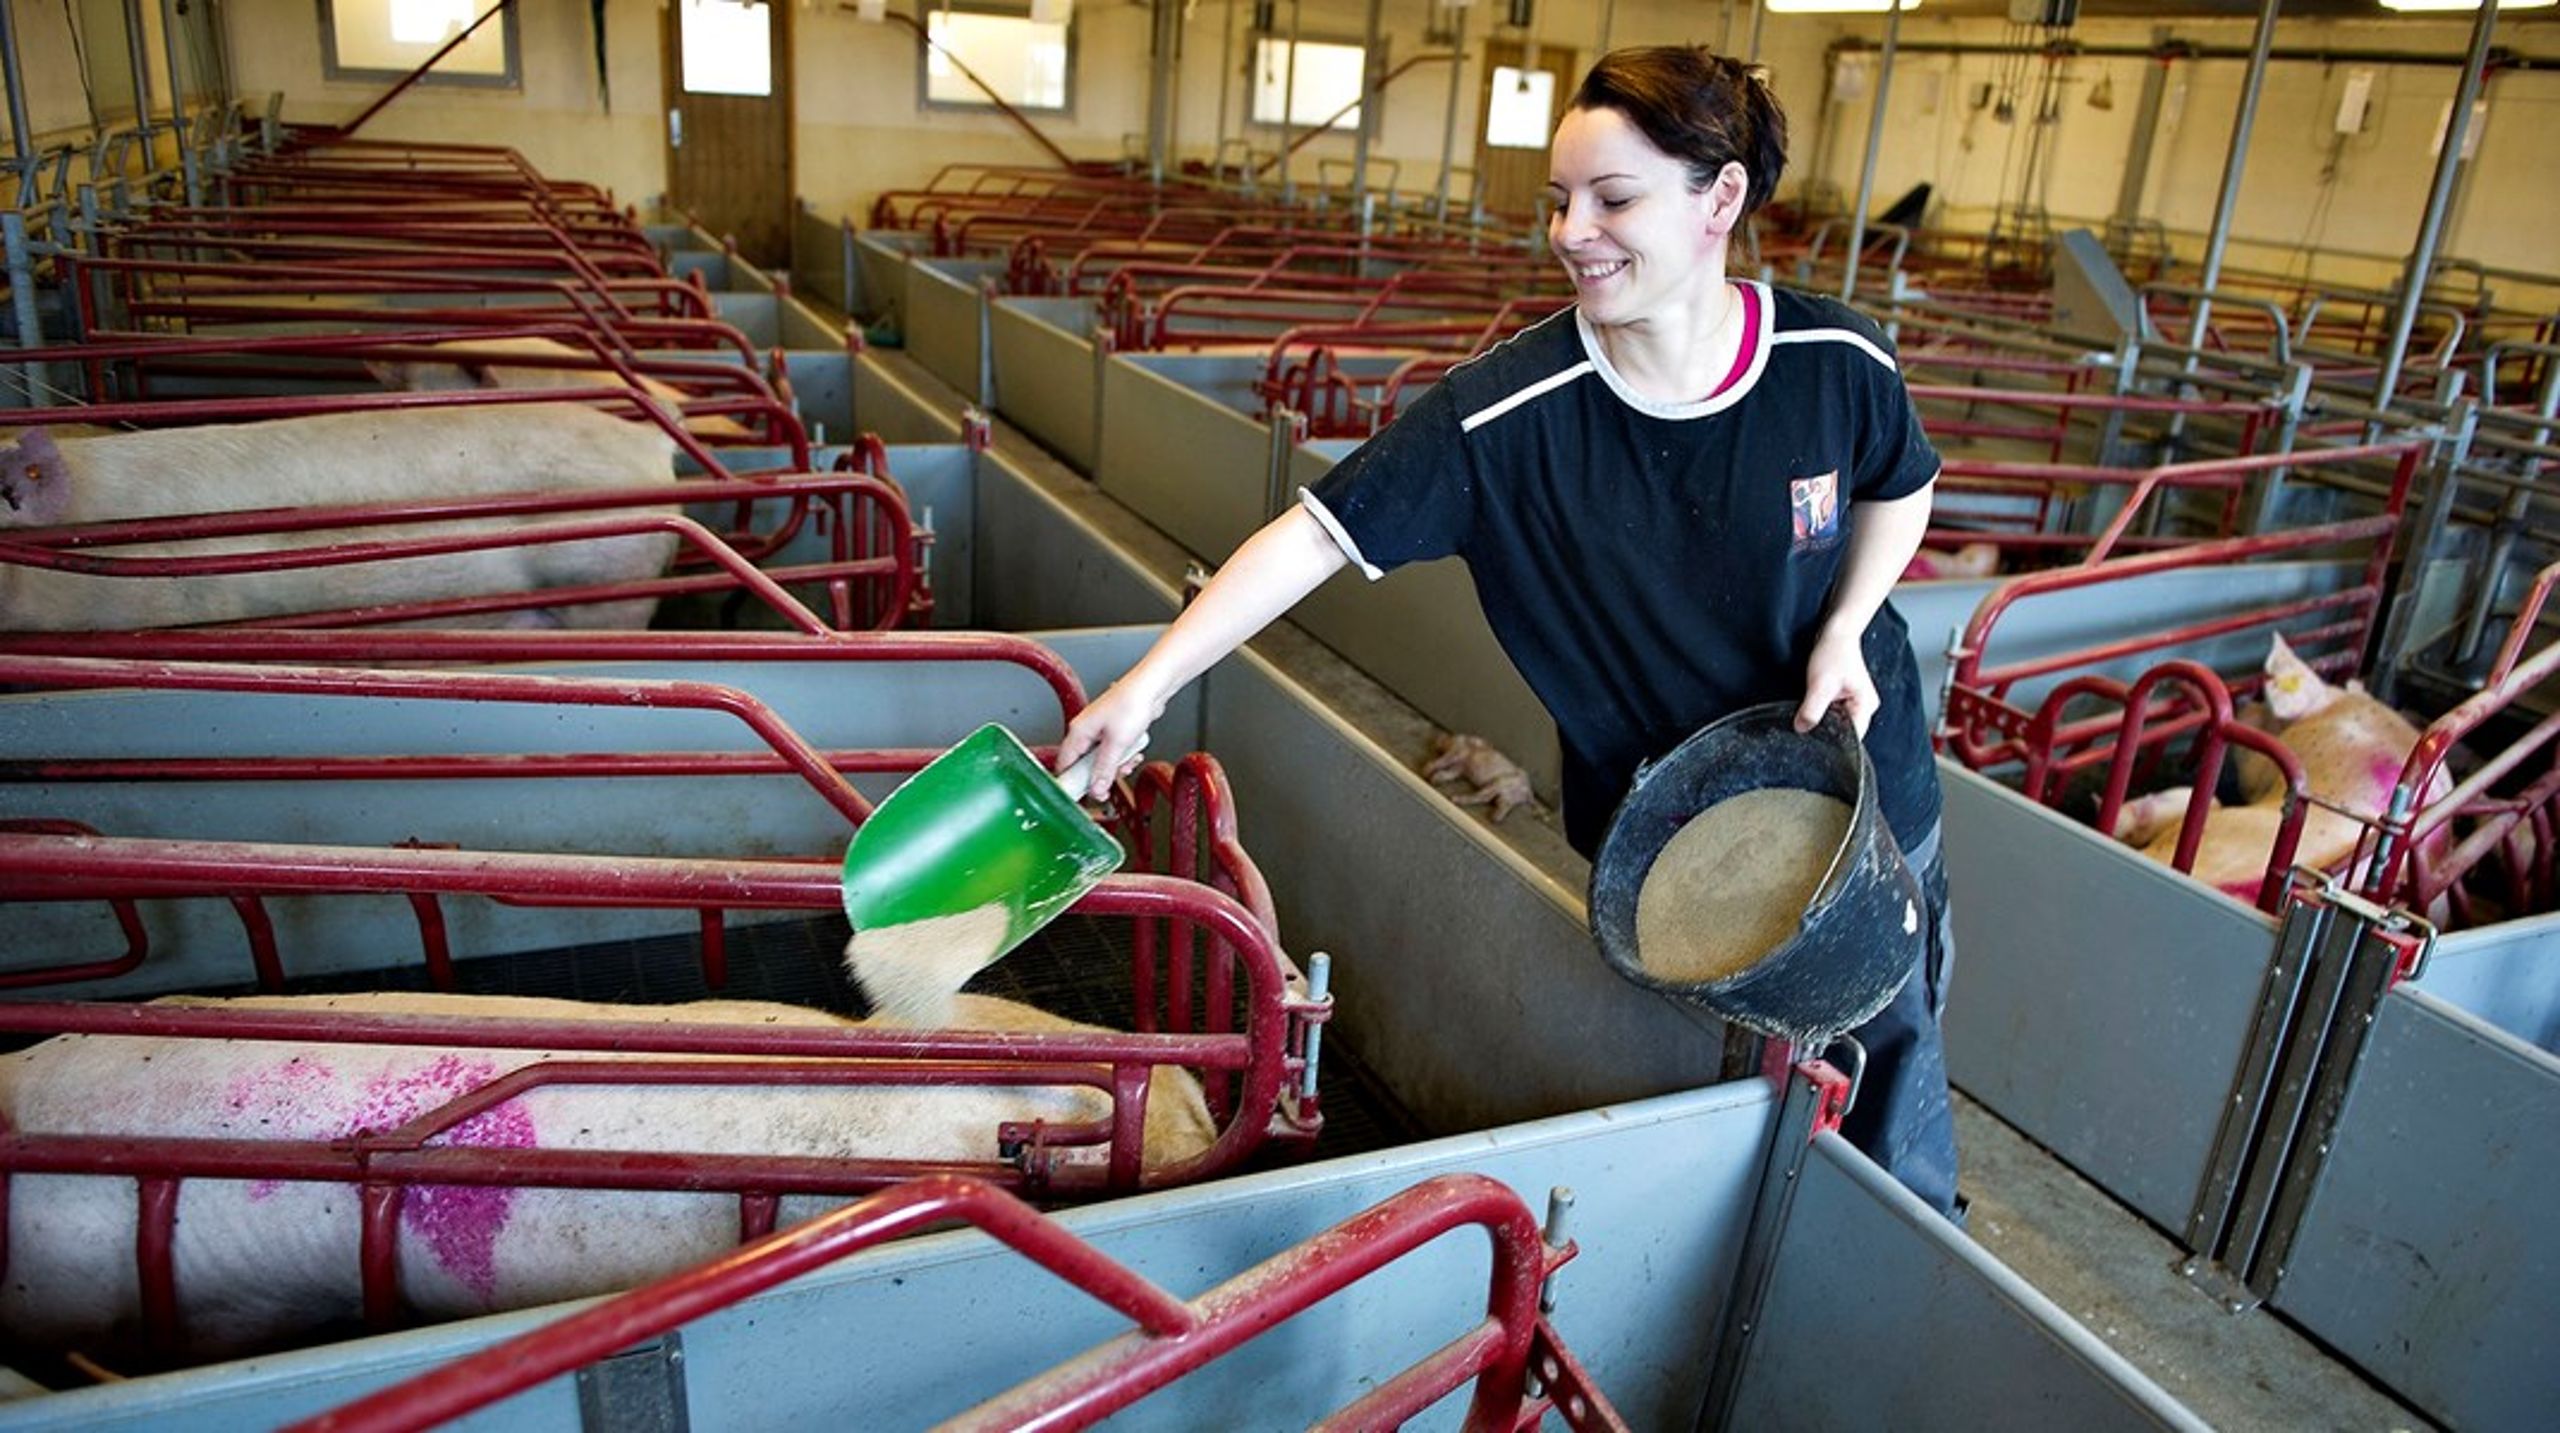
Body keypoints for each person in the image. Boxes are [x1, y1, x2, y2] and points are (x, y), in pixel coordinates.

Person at [1054, 46, 1959, 1216]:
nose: (1572, 230)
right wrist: (1150, 682)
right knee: (1715, 1082)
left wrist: (1843, 626)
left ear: (1719, 200)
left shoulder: (1834, 361)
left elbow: (1902, 484)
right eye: (1559, 199)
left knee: (1887, 1042)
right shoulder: (1505, 414)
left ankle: (1903, 1246)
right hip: (1671, 823)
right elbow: (1316, 536)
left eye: (1614, 198)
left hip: (1854, 783)